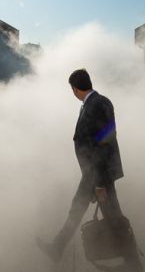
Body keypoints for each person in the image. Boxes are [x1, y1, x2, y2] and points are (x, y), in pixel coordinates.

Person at [37, 68, 131, 261]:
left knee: (112, 218)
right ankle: (57, 248)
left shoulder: (96, 104)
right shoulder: (95, 102)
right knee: (83, 210)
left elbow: (105, 143)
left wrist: (99, 183)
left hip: (97, 175)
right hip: (95, 173)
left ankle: (134, 265)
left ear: (74, 89)